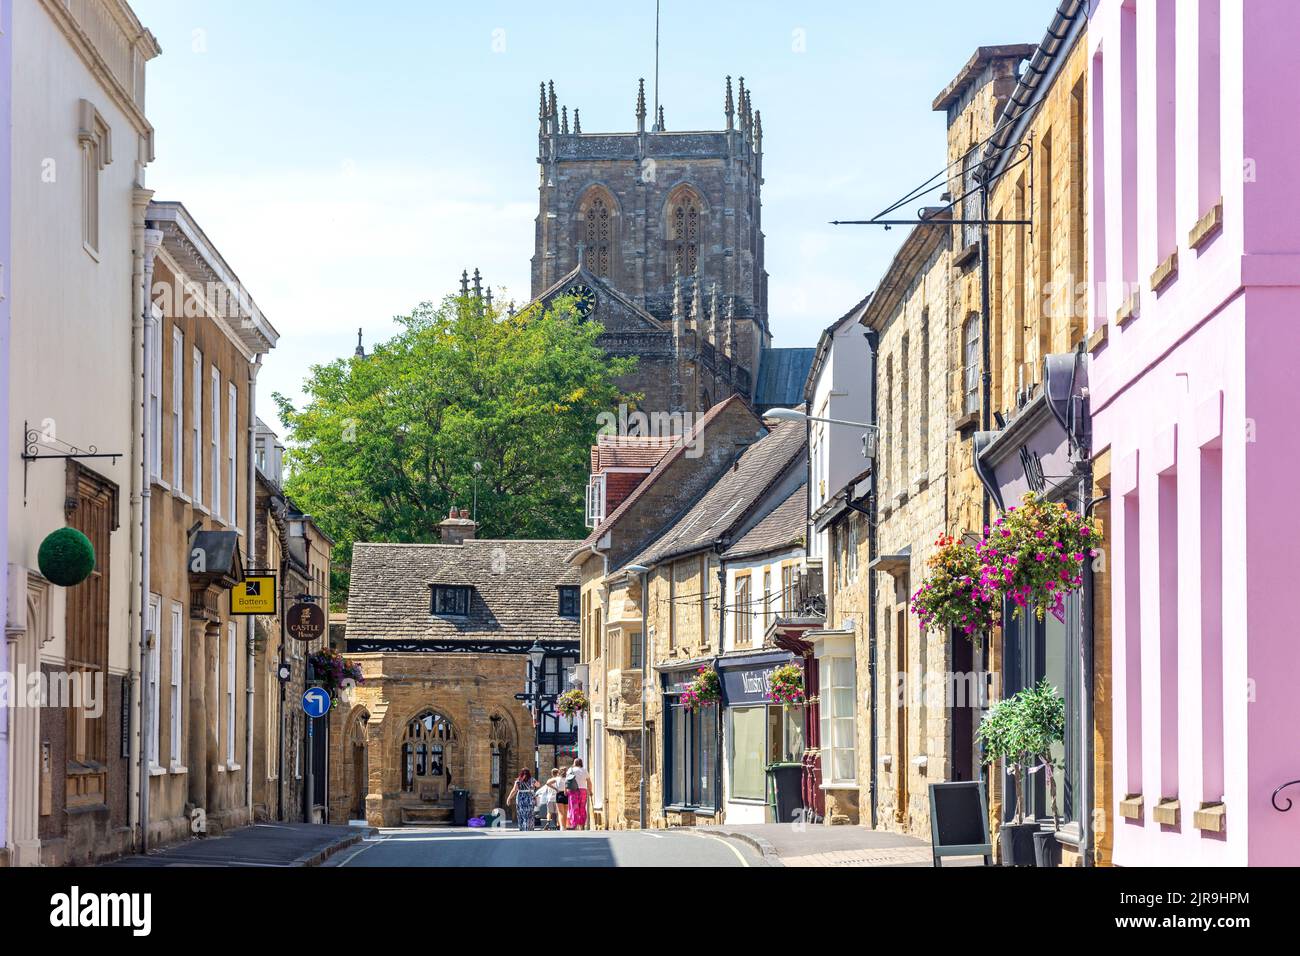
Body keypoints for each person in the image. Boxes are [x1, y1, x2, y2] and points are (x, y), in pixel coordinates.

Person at [564, 758, 590, 830]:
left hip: (573, 791)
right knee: (582, 808)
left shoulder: (570, 770)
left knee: (574, 808)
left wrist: (565, 790)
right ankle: (582, 825)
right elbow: (589, 781)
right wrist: (590, 791)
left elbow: (566, 781)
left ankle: (574, 824)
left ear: (574, 763)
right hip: (583, 791)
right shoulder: (584, 770)